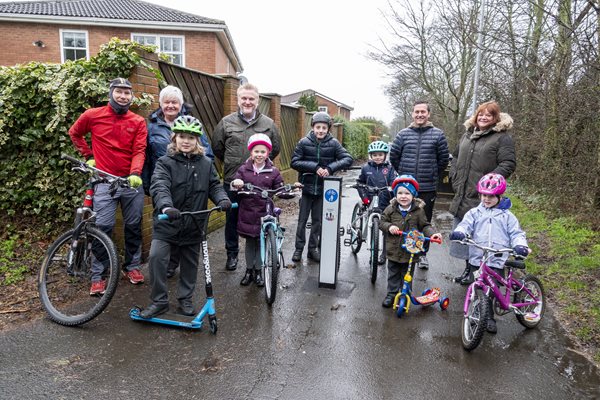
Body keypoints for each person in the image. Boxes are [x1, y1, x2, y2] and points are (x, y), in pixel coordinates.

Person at [140, 116, 231, 318]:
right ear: (174, 138)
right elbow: (159, 185)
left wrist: (222, 199)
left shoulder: (206, 164)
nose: (186, 141)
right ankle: (159, 301)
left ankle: (185, 299)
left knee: (190, 264)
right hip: (167, 222)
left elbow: (214, 185)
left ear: (198, 140)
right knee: (156, 258)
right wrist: (165, 206)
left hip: (194, 223)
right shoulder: (165, 163)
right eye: (182, 136)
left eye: (191, 137)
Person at [69, 77, 147, 295]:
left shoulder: (138, 121)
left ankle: (131, 267)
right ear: (111, 93)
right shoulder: (92, 115)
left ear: (131, 96)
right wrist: (88, 156)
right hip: (103, 180)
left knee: (133, 225)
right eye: (119, 92)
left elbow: (139, 149)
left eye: (127, 93)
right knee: (102, 227)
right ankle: (98, 275)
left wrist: (135, 173)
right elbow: (74, 133)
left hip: (129, 181)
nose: (123, 96)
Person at [141, 85, 214, 279]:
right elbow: (146, 156)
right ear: (161, 104)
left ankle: (176, 264)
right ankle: (168, 264)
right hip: (163, 182)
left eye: (175, 102)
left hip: (190, 180)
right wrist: (148, 183)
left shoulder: (192, 124)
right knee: (167, 223)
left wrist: (202, 176)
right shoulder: (152, 126)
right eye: (167, 102)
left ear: (181, 104)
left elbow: (207, 153)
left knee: (186, 223)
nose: (170, 105)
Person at [212, 83, 281, 271]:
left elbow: (275, 148)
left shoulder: (268, 124)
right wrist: (234, 165)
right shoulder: (226, 122)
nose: (247, 102)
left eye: (251, 98)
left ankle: (257, 261)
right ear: (238, 99)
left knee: (258, 219)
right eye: (244, 98)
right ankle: (232, 254)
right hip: (233, 181)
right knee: (231, 219)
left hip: (259, 183)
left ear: (257, 101)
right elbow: (217, 148)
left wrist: (259, 167)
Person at [449, 173, 529, 333]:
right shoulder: (475, 213)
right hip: (477, 258)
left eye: (491, 196)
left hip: (496, 259)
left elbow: (516, 233)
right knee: (477, 288)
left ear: (500, 196)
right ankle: (477, 313)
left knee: (491, 291)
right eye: (484, 195)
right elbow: (465, 225)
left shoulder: (507, 216)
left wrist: (520, 245)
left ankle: (489, 317)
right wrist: (460, 232)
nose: (486, 199)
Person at [449, 101, 516, 284]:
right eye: (481, 114)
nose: (483, 117)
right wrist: (454, 175)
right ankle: (468, 270)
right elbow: (455, 157)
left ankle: (481, 273)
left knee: (482, 235)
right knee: (465, 234)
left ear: (495, 118)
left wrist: (490, 183)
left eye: (489, 115)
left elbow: (508, 163)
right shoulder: (467, 135)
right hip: (463, 191)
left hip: (484, 195)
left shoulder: (502, 138)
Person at [389, 100, 449, 269]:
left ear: (428, 114)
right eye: (417, 112)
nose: (420, 115)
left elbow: (443, 159)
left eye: (423, 112)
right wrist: (403, 174)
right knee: (400, 220)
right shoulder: (402, 134)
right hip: (405, 187)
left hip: (426, 187)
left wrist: (431, 173)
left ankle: (421, 254)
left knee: (423, 221)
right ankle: (397, 252)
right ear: (412, 114)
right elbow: (394, 157)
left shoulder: (438, 134)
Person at [290, 112, 353, 262]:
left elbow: (348, 158)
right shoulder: (303, 142)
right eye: (318, 127)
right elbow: (294, 162)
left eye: (324, 128)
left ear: (328, 129)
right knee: (302, 221)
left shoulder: (334, 143)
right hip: (307, 187)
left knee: (317, 221)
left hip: (324, 189)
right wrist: (315, 167)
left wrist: (330, 168)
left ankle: (312, 249)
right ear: (312, 127)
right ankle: (298, 249)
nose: (321, 130)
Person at [379, 175, 442, 308]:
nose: (403, 196)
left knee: (407, 273)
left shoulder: (418, 211)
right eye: (400, 193)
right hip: (393, 249)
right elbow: (382, 222)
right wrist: (389, 227)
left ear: (413, 195)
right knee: (393, 273)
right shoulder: (390, 209)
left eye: (407, 193)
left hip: (411, 250)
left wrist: (433, 234)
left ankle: (405, 292)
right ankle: (391, 294)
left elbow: (425, 225)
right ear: (395, 194)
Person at [230, 134, 284, 286]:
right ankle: (248, 270)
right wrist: (237, 182)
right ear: (251, 152)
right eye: (256, 151)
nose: (259, 154)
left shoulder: (273, 171)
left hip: (265, 213)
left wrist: (288, 191)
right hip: (247, 213)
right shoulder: (243, 169)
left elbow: (279, 188)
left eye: (263, 152)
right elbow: (234, 185)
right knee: (249, 244)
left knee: (261, 242)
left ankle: (259, 271)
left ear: (267, 153)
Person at [356, 140, 397, 264]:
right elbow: (360, 183)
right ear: (371, 156)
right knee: (371, 225)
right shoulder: (366, 168)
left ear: (385, 155)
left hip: (385, 202)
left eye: (380, 154)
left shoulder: (390, 168)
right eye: (374, 155)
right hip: (370, 200)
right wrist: (364, 198)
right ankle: (371, 250)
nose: (377, 157)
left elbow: (394, 183)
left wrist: (393, 195)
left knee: (385, 229)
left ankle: (384, 254)